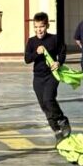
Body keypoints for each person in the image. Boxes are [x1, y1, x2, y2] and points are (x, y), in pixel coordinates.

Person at [24, 11, 73, 139]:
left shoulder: (54, 39)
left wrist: (59, 62)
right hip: (38, 77)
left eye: (41, 26)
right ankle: (56, 130)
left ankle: (62, 120)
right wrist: (36, 52)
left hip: (52, 75)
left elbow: (62, 51)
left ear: (47, 26)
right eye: (36, 27)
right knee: (44, 105)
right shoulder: (31, 41)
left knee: (48, 99)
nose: (39, 30)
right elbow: (27, 59)